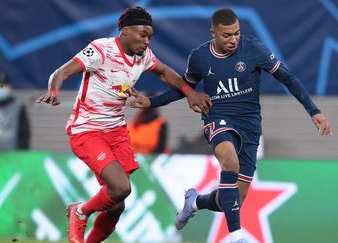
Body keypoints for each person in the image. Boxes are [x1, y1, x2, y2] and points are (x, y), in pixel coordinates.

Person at [129, 8, 332, 243]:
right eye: (226, 35)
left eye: (236, 33)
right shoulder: (200, 57)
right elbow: (184, 88)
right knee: (230, 162)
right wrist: (151, 101)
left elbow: (287, 77)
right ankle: (237, 237)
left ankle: (195, 202)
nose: (233, 39)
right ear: (213, 33)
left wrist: (313, 111)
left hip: (250, 126)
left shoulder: (254, 49)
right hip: (218, 119)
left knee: (234, 199)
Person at [36, 7, 211, 243]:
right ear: (126, 31)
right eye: (142, 35)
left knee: (116, 206)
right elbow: (62, 71)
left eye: (150, 37)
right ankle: (80, 211)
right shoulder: (101, 50)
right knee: (121, 188)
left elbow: (164, 72)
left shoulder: (143, 56)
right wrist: (54, 90)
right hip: (88, 130)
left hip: (117, 132)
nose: (146, 41)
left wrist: (189, 92)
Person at [0, 72, 30, 150]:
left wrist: (22, 156)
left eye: (4, 86)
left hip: (12, 157)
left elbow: (24, 135)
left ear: (10, 87)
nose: (1, 88)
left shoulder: (19, 108)